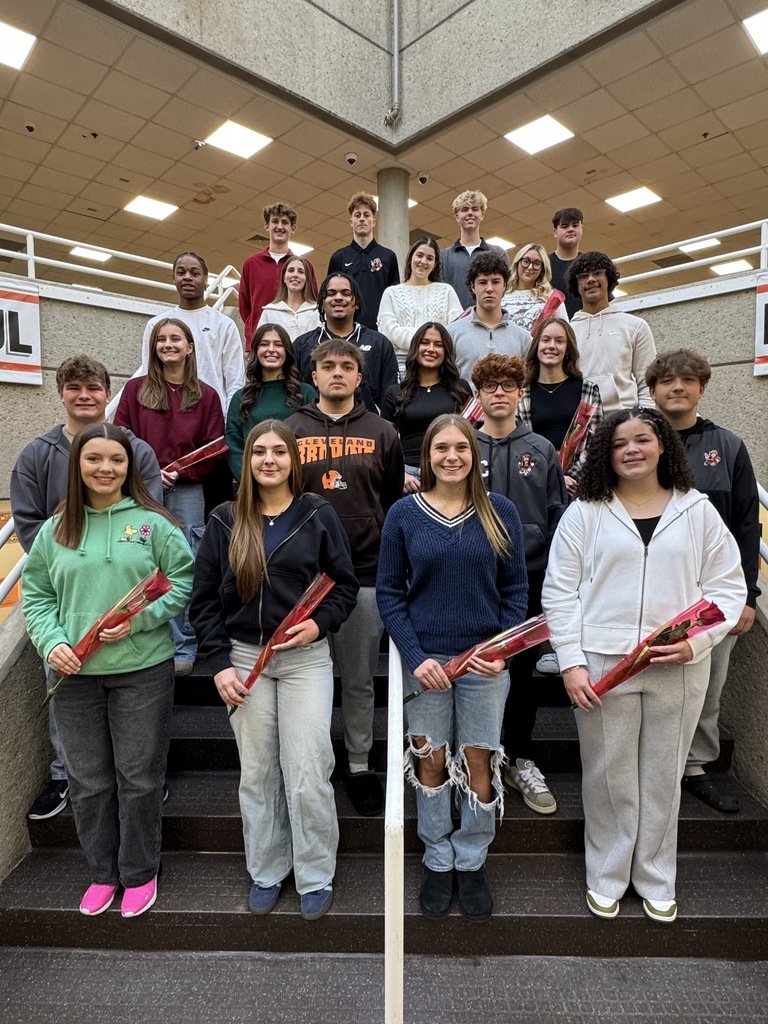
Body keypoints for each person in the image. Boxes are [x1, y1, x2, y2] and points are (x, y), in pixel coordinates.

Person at [541, 408, 746, 924]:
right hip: (604, 664)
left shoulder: (697, 511)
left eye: (643, 439)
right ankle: (607, 872)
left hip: (677, 664)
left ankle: (655, 875)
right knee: (608, 775)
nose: (631, 450)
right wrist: (572, 663)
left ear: (663, 447)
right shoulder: (584, 513)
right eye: (619, 443)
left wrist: (696, 644)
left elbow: (727, 588)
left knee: (662, 774)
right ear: (605, 455)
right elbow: (560, 593)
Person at [21, 423, 194, 919]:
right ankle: (102, 871)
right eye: (94, 459)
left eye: (116, 460)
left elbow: (182, 582)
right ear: (77, 465)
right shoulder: (56, 530)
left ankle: (139, 872)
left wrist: (139, 621)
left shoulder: (154, 525)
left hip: (142, 670)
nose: (105, 468)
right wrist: (52, 642)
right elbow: (36, 596)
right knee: (89, 780)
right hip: (74, 674)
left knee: (138, 777)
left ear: (129, 466)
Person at [190, 421, 358, 921]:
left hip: (304, 660)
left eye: (279, 451)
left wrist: (319, 625)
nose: (269, 460)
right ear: (247, 461)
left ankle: (315, 872)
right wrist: (218, 664)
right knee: (259, 772)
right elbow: (203, 601)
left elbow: (345, 587)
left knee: (307, 769)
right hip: (245, 660)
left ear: (293, 460)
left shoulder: (317, 514)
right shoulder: (225, 520)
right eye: (259, 451)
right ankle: (267, 869)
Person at [377, 414, 527, 921]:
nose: (451, 457)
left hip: (484, 662)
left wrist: (502, 650)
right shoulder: (404, 514)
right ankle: (438, 856)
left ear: (473, 455)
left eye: (460, 448)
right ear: (427, 456)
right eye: (441, 448)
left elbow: (515, 591)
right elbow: (390, 594)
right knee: (432, 759)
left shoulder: (500, 511)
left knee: (479, 759)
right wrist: (415, 657)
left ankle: (472, 855)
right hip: (427, 663)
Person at [10, 354, 162, 822]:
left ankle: (141, 780)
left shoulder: (136, 451)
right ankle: (66, 774)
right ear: (61, 394)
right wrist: (76, 560)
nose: (84, 396)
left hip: (125, 594)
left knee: (138, 697)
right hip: (66, 596)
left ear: (107, 394)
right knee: (65, 684)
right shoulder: (37, 455)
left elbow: (152, 516)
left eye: (93, 387)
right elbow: (28, 524)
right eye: (74, 387)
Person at [287, 340, 404, 817]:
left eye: (347, 366)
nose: (337, 372)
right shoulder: (291, 430)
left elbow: (392, 502)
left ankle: (358, 763)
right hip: (303, 578)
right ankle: (312, 764)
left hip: (364, 573)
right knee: (305, 683)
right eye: (328, 366)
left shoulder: (384, 432)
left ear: (360, 376)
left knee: (358, 679)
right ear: (313, 376)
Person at [647, 349, 760, 813]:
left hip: (713, 589)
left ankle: (694, 765)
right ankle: (651, 761)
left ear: (702, 388)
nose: (678, 387)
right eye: (667, 380)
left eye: (688, 380)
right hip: (652, 587)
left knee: (708, 682)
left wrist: (747, 596)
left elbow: (747, 523)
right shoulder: (636, 441)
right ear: (652, 391)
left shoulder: (727, 447)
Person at [472, 354, 567, 815]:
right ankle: (474, 757)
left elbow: (557, 517)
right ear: (479, 394)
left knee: (523, 674)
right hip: (472, 580)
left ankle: (518, 758)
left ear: (519, 393)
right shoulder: (462, 445)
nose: (499, 393)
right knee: (476, 672)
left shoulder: (542, 449)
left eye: (507, 385)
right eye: (490, 386)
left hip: (528, 578)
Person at [115, 318, 224, 676]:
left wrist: (182, 472)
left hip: (188, 491)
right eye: (161, 339)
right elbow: (121, 436)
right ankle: (145, 637)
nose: (168, 344)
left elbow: (214, 447)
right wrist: (148, 471)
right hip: (142, 490)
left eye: (176, 338)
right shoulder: (135, 390)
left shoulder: (207, 395)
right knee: (142, 560)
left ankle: (183, 644)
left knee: (184, 564)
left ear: (190, 347)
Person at [138, 252, 244, 414]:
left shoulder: (224, 325)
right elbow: (148, 374)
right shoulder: (156, 325)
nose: (187, 277)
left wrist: (229, 419)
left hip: (212, 415)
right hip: (166, 412)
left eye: (194, 273)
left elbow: (235, 381)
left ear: (206, 279)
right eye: (181, 273)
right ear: (174, 279)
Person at [518, 317, 604, 495]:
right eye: (546, 340)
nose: (551, 346)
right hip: (533, 485)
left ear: (568, 349)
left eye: (559, 341)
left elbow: (597, 442)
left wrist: (571, 477)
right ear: (536, 346)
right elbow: (518, 444)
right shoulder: (521, 394)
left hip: (578, 486)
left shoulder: (587, 390)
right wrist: (552, 478)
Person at [381, 323, 471, 493]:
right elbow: (384, 444)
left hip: (451, 471)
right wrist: (400, 475)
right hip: (410, 479)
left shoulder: (461, 389)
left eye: (438, 345)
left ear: (446, 352)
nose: (431, 349)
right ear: (415, 347)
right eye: (425, 342)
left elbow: (473, 436)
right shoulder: (395, 392)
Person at [293, 272, 398, 412]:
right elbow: (293, 393)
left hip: (367, 423)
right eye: (331, 293)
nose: (338, 297)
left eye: (346, 293)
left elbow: (390, 397)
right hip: (314, 423)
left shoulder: (380, 344)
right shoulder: (302, 345)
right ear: (322, 303)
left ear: (357, 302)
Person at [568, 251, 656, 415]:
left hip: (624, 419)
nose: (591, 279)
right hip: (580, 421)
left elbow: (648, 382)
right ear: (576, 285)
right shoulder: (567, 332)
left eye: (597, 273)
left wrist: (646, 419)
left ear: (609, 278)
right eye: (583, 276)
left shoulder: (635, 326)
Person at [225, 324, 316, 482]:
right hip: (252, 483)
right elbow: (233, 443)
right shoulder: (241, 397)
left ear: (287, 351)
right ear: (255, 351)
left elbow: (315, 440)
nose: (271, 350)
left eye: (278, 345)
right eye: (264, 344)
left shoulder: (306, 393)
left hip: (298, 482)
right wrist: (251, 479)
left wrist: (295, 478)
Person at [377, 238, 462, 377]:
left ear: (435, 264)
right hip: (402, 365)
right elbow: (389, 332)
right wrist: (432, 340)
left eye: (430, 258)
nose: (423, 261)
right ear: (411, 258)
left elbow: (456, 329)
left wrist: (421, 341)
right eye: (419, 255)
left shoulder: (446, 291)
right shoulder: (391, 293)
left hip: (438, 365)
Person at [239, 202, 318, 344]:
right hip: (260, 342)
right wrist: (253, 332)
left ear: (292, 228)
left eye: (285, 222)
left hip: (298, 342)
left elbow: (311, 300)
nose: (280, 227)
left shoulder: (304, 266)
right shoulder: (251, 264)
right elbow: (245, 307)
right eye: (275, 221)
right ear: (267, 226)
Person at [447, 251, 531, 380]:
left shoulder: (523, 338)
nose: (489, 289)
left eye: (495, 282)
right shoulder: (451, 333)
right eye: (482, 282)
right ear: (473, 286)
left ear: (505, 286)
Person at [327, 193, 400, 329]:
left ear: (373, 222)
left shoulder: (388, 257)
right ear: (351, 222)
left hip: (380, 331)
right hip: (346, 330)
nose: (362, 219)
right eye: (357, 215)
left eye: (366, 215)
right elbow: (330, 298)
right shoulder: (338, 257)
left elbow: (395, 299)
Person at [439, 190, 509, 309]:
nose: (470, 213)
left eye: (475, 209)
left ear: (482, 215)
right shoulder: (443, 257)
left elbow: (505, 293)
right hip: (454, 319)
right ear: (457, 216)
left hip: (489, 318)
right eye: (465, 209)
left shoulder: (498, 253)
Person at [503, 243, 568, 332]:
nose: (530, 267)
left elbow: (565, 332)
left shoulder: (552, 298)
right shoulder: (502, 294)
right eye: (526, 261)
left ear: (542, 269)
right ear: (517, 263)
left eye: (536, 263)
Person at [257, 255, 321, 341]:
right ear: (284, 278)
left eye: (301, 271)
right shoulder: (269, 312)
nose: (295, 275)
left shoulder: (317, 311)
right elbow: (260, 343)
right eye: (291, 270)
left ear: (307, 279)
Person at [548, 207, 583, 318]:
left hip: (585, 325)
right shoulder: (544, 265)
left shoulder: (590, 264)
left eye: (575, 225)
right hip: (552, 325)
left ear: (582, 229)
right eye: (564, 226)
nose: (571, 229)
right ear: (555, 233)